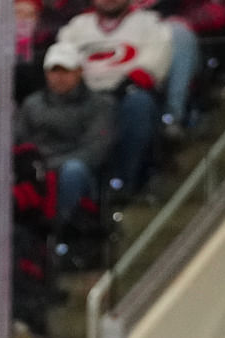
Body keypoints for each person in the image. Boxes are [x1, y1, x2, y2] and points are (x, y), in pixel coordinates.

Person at [57, 0, 176, 203]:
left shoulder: (149, 23)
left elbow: (154, 62)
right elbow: (62, 60)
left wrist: (123, 87)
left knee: (139, 104)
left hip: (127, 97)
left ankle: (123, 183)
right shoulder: (77, 26)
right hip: (83, 99)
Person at [20, 42, 116, 232]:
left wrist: (52, 166)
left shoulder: (100, 105)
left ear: (79, 71)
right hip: (38, 170)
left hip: (78, 173)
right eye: (54, 71)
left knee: (73, 170)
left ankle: (63, 229)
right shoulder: (32, 104)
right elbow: (21, 141)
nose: (59, 77)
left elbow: (96, 149)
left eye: (65, 71)